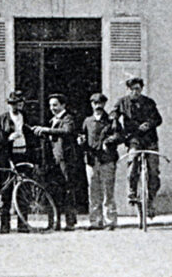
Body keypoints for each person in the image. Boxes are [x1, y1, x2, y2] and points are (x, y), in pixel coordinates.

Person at [111, 76, 163, 213]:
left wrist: (149, 124)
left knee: (154, 171)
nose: (135, 92)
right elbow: (113, 113)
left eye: (138, 89)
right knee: (132, 161)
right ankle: (132, 192)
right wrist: (115, 121)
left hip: (150, 139)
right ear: (128, 89)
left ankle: (150, 200)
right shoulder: (122, 102)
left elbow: (158, 119)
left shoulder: (149, 102)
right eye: (132, 89)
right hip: (133, 138)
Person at [0, 90, 38, 233]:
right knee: (5, 192)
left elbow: (33, 139)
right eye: (12, 103)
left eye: (18, 103)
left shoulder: (27, 118)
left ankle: (22, 224)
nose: (15, 106)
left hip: (23, 157)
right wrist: (8, 138)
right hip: (5, 159)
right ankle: (5, 225)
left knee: (23, 191)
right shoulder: (0, 119)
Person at [32, 93, 80, 231]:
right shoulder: (52, 120)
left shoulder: (68, 118)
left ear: (63, 105)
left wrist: (46, 130)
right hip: (52, 161)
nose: (52, 108)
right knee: (53, 191)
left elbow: (67, 131)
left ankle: (70, 222)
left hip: (65, 160)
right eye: (50, 105)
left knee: (68, 190)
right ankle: (54, 222)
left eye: (55, 105)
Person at [79, 92, 122, 230]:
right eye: (95, 103)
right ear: (91, 105)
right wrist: (81, 141)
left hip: (107, 160)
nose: (98, 106)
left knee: (108, 192)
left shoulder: (111, 120)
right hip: (91, 161)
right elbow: (82, 135)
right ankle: (95, 221)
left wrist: (109, 141)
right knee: (93, 192)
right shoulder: (87, 121)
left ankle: (110, 221)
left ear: (104, 104)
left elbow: (120, 136)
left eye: (100, 103)